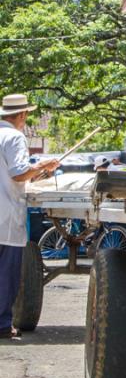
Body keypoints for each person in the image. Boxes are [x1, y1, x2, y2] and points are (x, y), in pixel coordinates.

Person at [0, 94, 59, 339]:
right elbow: (17, 173)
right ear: (22, 115)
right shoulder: (14, 137)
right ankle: (2, 325)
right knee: (6, 273)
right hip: (5, 217)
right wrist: (43, 166)